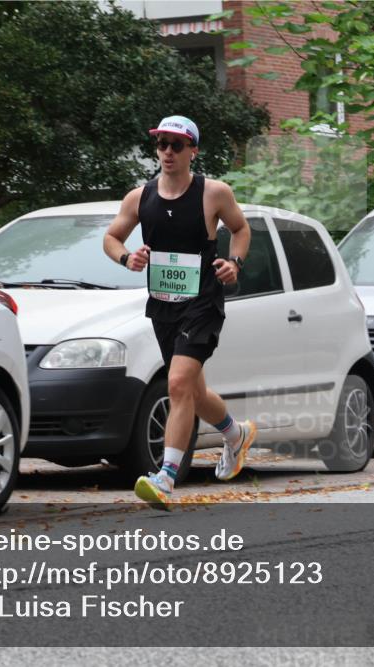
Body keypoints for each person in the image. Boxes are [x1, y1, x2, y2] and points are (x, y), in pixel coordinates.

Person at [104, 115, 257, 509]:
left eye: (177, 144)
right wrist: (126, 257)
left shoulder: (213, 193)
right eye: (162, 144)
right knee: (194, 391)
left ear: (193, 150)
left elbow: (241, 229)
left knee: (176, 384)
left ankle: (166, 477)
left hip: (203, 302)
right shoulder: (140, 197)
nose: (168, 151)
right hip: (163, 306)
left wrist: (234, 263)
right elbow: (111, 237)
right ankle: (235, 434)